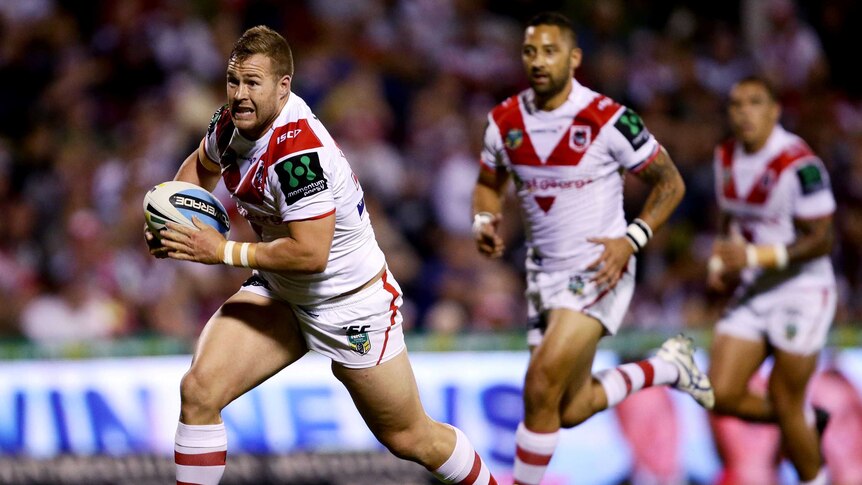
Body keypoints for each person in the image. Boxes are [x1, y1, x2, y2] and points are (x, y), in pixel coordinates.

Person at [147, 26, 497, 485]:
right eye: (234, 81)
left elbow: (310, 254)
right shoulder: (232, 121)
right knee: (199, 390)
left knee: (412, 438)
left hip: (348, 303)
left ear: (283, 86)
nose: (240, 94)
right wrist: (175, 219)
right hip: (281, 290)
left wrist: (221, 251)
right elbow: (202, 163)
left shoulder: (298, 154)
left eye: (253, 82)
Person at [470, 12, 714, 485]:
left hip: (600, 267)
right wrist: (484, 218)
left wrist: (632, 240)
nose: (539, 61)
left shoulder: (609, 119)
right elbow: (487, 182)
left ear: (574, 58)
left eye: (550, 51)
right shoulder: (504, 120)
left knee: (539, 383)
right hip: (543, 276)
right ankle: (666, 366)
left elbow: (670, 183)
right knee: (569, 408)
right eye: (530, 52)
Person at [706, 75, 837, 485]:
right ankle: (805, 419)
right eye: (736, 104)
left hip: (803, 289)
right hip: (756, 287)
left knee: (785, 396)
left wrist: (757, 256)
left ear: (775, 110)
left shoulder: (800, 164)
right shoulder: (725, 156)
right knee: (720, 394)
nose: (744, 112)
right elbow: (732, 218)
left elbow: (821, 239)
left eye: (755, 102)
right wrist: (721, 264)